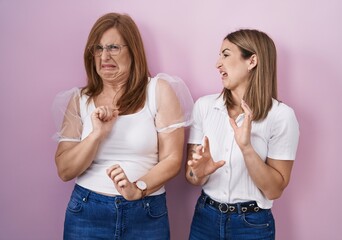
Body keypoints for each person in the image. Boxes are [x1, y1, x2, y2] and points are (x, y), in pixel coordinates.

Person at [52, 12, 193, 239]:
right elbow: (65, 170)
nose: (104, 56)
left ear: (133, 51)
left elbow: (172, 159)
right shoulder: (80, 99)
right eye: (97, 49)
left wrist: (139, 188)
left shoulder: (158, 90)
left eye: (113, 47)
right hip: (87, 212)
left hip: (146, 211)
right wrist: (96, 135)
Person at [185, 29, 300, 239]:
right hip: (205, 219)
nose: (217, 64)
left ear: (252, 61)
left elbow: (274, 191)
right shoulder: (204, 107)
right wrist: (199, 173)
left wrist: (247, 148)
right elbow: (191, 177)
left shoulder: (281, 116)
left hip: (252, 226)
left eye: (226, 55)